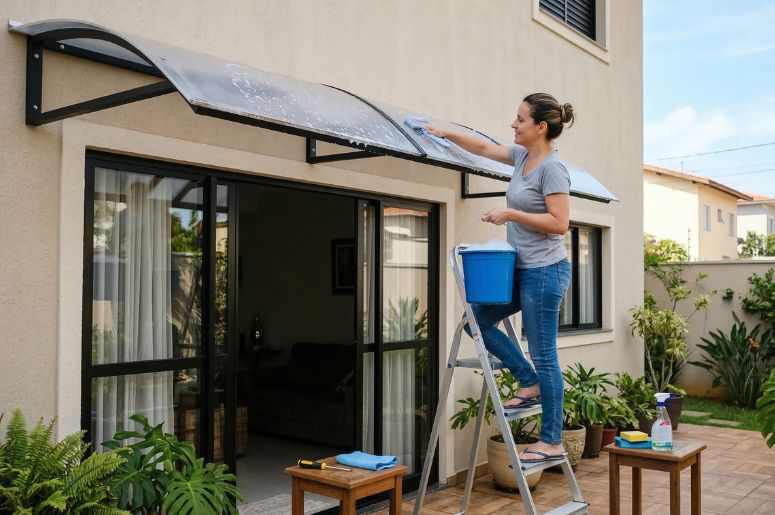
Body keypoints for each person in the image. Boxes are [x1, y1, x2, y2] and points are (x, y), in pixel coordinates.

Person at [425, 93, 573, 464]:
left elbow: (560, 224)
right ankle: (528, 379)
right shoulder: (523, 156)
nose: (513, 124)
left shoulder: (552, 169)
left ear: (540, 127)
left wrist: (511, 214)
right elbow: (485, 148)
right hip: (520, 270)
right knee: (476, 320)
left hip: (545, 271)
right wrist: (444, 132)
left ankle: (552, 440)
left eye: (520, 119)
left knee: (545, 354)